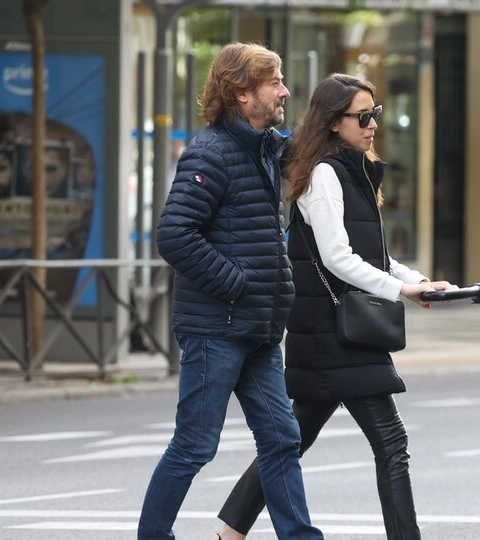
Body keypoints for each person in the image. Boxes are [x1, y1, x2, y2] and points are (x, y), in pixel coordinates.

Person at [216, 73, 455, 540]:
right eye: (362, 117)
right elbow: (337, 257)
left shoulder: (355, 170)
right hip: (335, 332)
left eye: (375, 114)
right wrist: (398, 290)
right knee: (391, 441)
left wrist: (416, 281)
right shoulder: (325, 173)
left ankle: (229, 532)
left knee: (293, 441)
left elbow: (373, 255)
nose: (372, 125)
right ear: (332, 122)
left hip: (335, 330)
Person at [138, 43, 323, 540]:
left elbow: (309, 149)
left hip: (257, 327)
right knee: (195, 445)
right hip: (216, 329)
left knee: (283, 440)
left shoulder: (263, 147)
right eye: (274, 83)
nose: (284, 91)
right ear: (242, 93)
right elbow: (174, 235)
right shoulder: (211, 152)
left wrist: (339, 115)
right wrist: (236, 283)